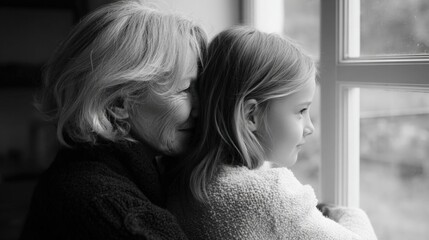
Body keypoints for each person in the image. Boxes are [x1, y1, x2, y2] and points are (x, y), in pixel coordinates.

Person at [167, 26, 377, 240]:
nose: (309, 126)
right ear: (251, 116)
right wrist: (344, 213)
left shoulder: (181, 177)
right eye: (301, 111)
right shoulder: (272, 196)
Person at [20, 1, 206, 239]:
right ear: (117, 104)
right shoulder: (111, 211)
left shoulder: (76, 175)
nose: (199, 109)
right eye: (185, 89)